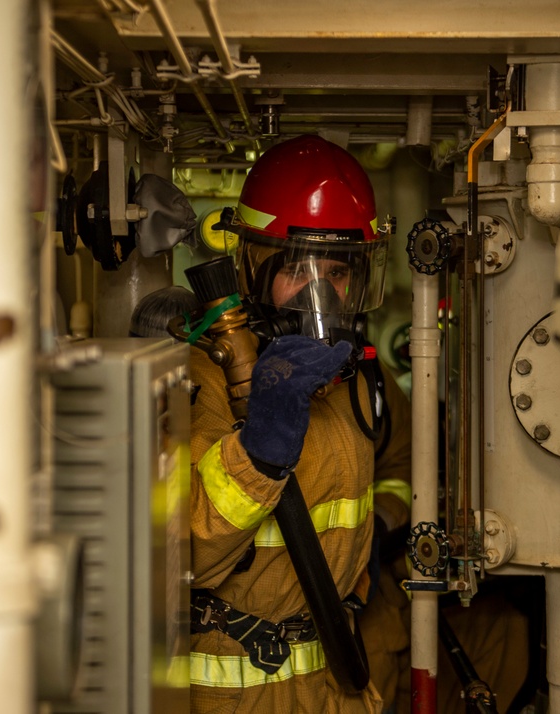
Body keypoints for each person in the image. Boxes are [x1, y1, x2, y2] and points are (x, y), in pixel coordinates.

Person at [186, 135, 413, 713]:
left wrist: (380, 532)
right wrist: (259, 448)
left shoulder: (363, 380)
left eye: (338, 271)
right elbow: (185, 555)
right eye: (296, 269)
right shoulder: (203, 379)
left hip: (340, 684)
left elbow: (405, 464)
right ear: (251, 267)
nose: (321, 293)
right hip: (237, 694)